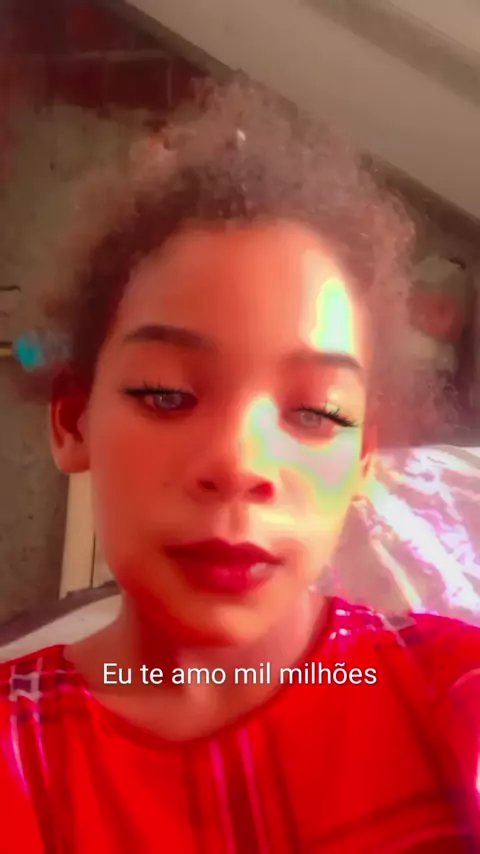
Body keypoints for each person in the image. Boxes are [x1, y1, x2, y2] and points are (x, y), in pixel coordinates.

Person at [1, 79, 479, 854]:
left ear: (362, 459)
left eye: (315, 412)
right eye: (166, 394)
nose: (239, 462)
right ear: (72, 419)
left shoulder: (450, 695)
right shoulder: (17, 752)